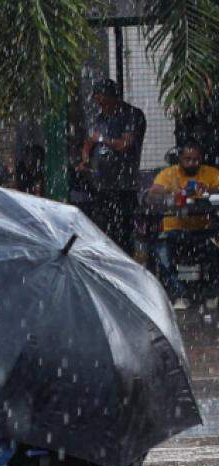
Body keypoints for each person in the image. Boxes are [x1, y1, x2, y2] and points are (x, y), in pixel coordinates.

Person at [76, 78, 146, 253]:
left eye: (105, 103)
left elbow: (125, 144)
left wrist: (102, 139)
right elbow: (88, 141)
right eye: (99, 103)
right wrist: (85, 159)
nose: (102, 107)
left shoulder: (132, 115)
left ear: (115, 98)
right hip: (102, 185)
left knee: (123, 232)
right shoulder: (101, 118)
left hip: (124, 185)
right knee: (104, 231)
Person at [147, 139, 219, 306]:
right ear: (180, 158)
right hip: (175, 229)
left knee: (215, 246)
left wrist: (208, 190)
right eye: (188, 159)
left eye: (196, 159)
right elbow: (152, 195)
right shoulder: (169, 174)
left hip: (203, 230)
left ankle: (212, 294)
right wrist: (172, 193)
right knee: (160, 250)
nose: (193, 163)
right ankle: (179, 294)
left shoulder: (210, 173)